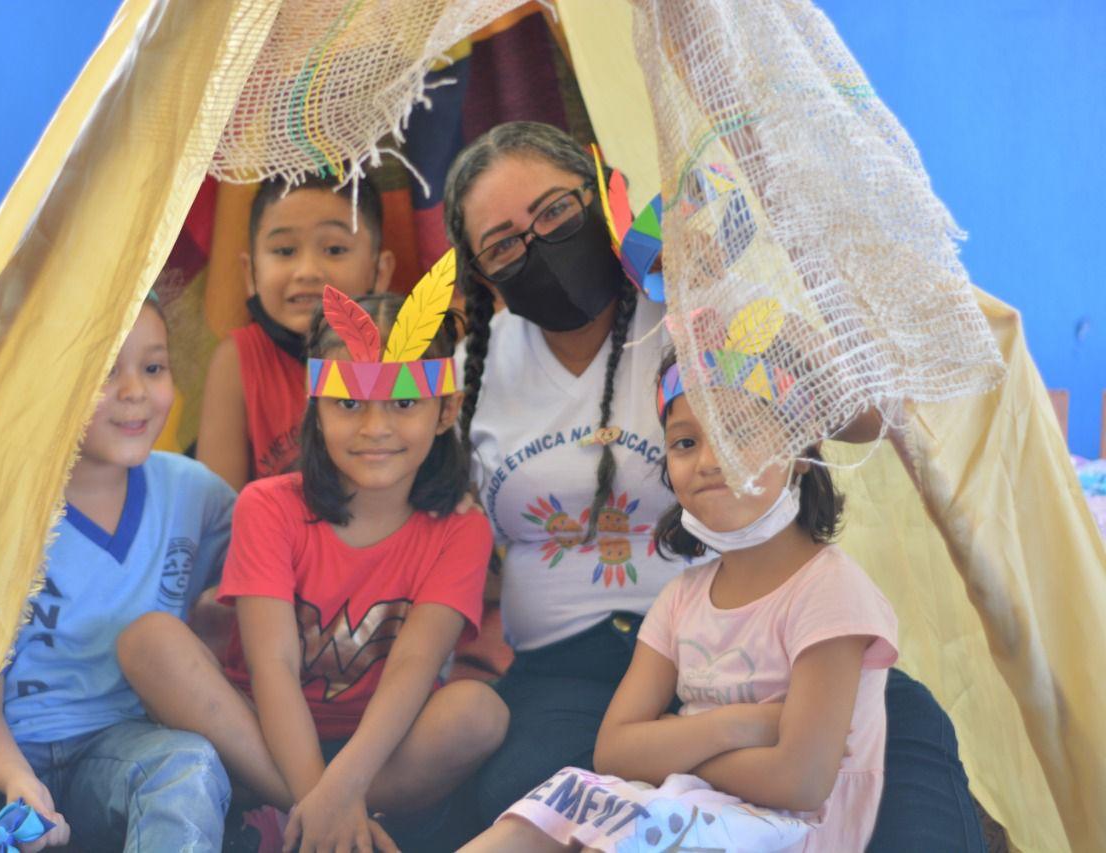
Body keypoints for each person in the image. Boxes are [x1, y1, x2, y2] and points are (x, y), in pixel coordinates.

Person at [440, 120, 983, 849]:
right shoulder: (472, 372)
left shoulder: (703, 318)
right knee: (540, 797)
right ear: (481, 275)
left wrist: (741, 291)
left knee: (908, 748)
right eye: (504, 243)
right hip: (569, 678)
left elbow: (874, 417)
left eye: (555, 212)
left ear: (605, 200)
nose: (537, 244)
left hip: (751, 647)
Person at [117, 281, 508, 853]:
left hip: (384, 752)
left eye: (404, 403)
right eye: (349, 404)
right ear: (317, 409)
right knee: (149, 640)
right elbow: (271, 664)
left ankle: (316, 816)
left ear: (445, 409)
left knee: (480, 713)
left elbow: (412, 669)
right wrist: (318, 796)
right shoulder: (268, 506)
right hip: (261, 735)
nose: (375, 429)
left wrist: (342, 784)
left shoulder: (461, 528)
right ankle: (327, 820)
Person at [465, 342, 898, 851]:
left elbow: (800, 781)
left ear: (800, 452)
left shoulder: (831, 592)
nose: (709, 461)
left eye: (739, 433)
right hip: (680, 808)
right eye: (686, 443)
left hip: (785, 833)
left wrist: (674, 747)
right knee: (541, 817)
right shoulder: (682, 597)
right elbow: (615, 751)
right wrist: (736, 726)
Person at [0, 298, 235, 851]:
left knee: (189, 766)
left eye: (153, 367)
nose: (135, 392)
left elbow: (264, 572)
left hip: (117, 746)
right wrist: (16, 780)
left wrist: (220, 615)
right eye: (104, 372)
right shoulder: (0, 513)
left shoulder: (196, 494)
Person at [198, 172, 394, 491]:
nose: (307, 272)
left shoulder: (405, 352)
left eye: (334, 249)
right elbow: (216, 515)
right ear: (251, 274)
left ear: (380, 272)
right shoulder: (237, 360)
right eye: (285, 251)